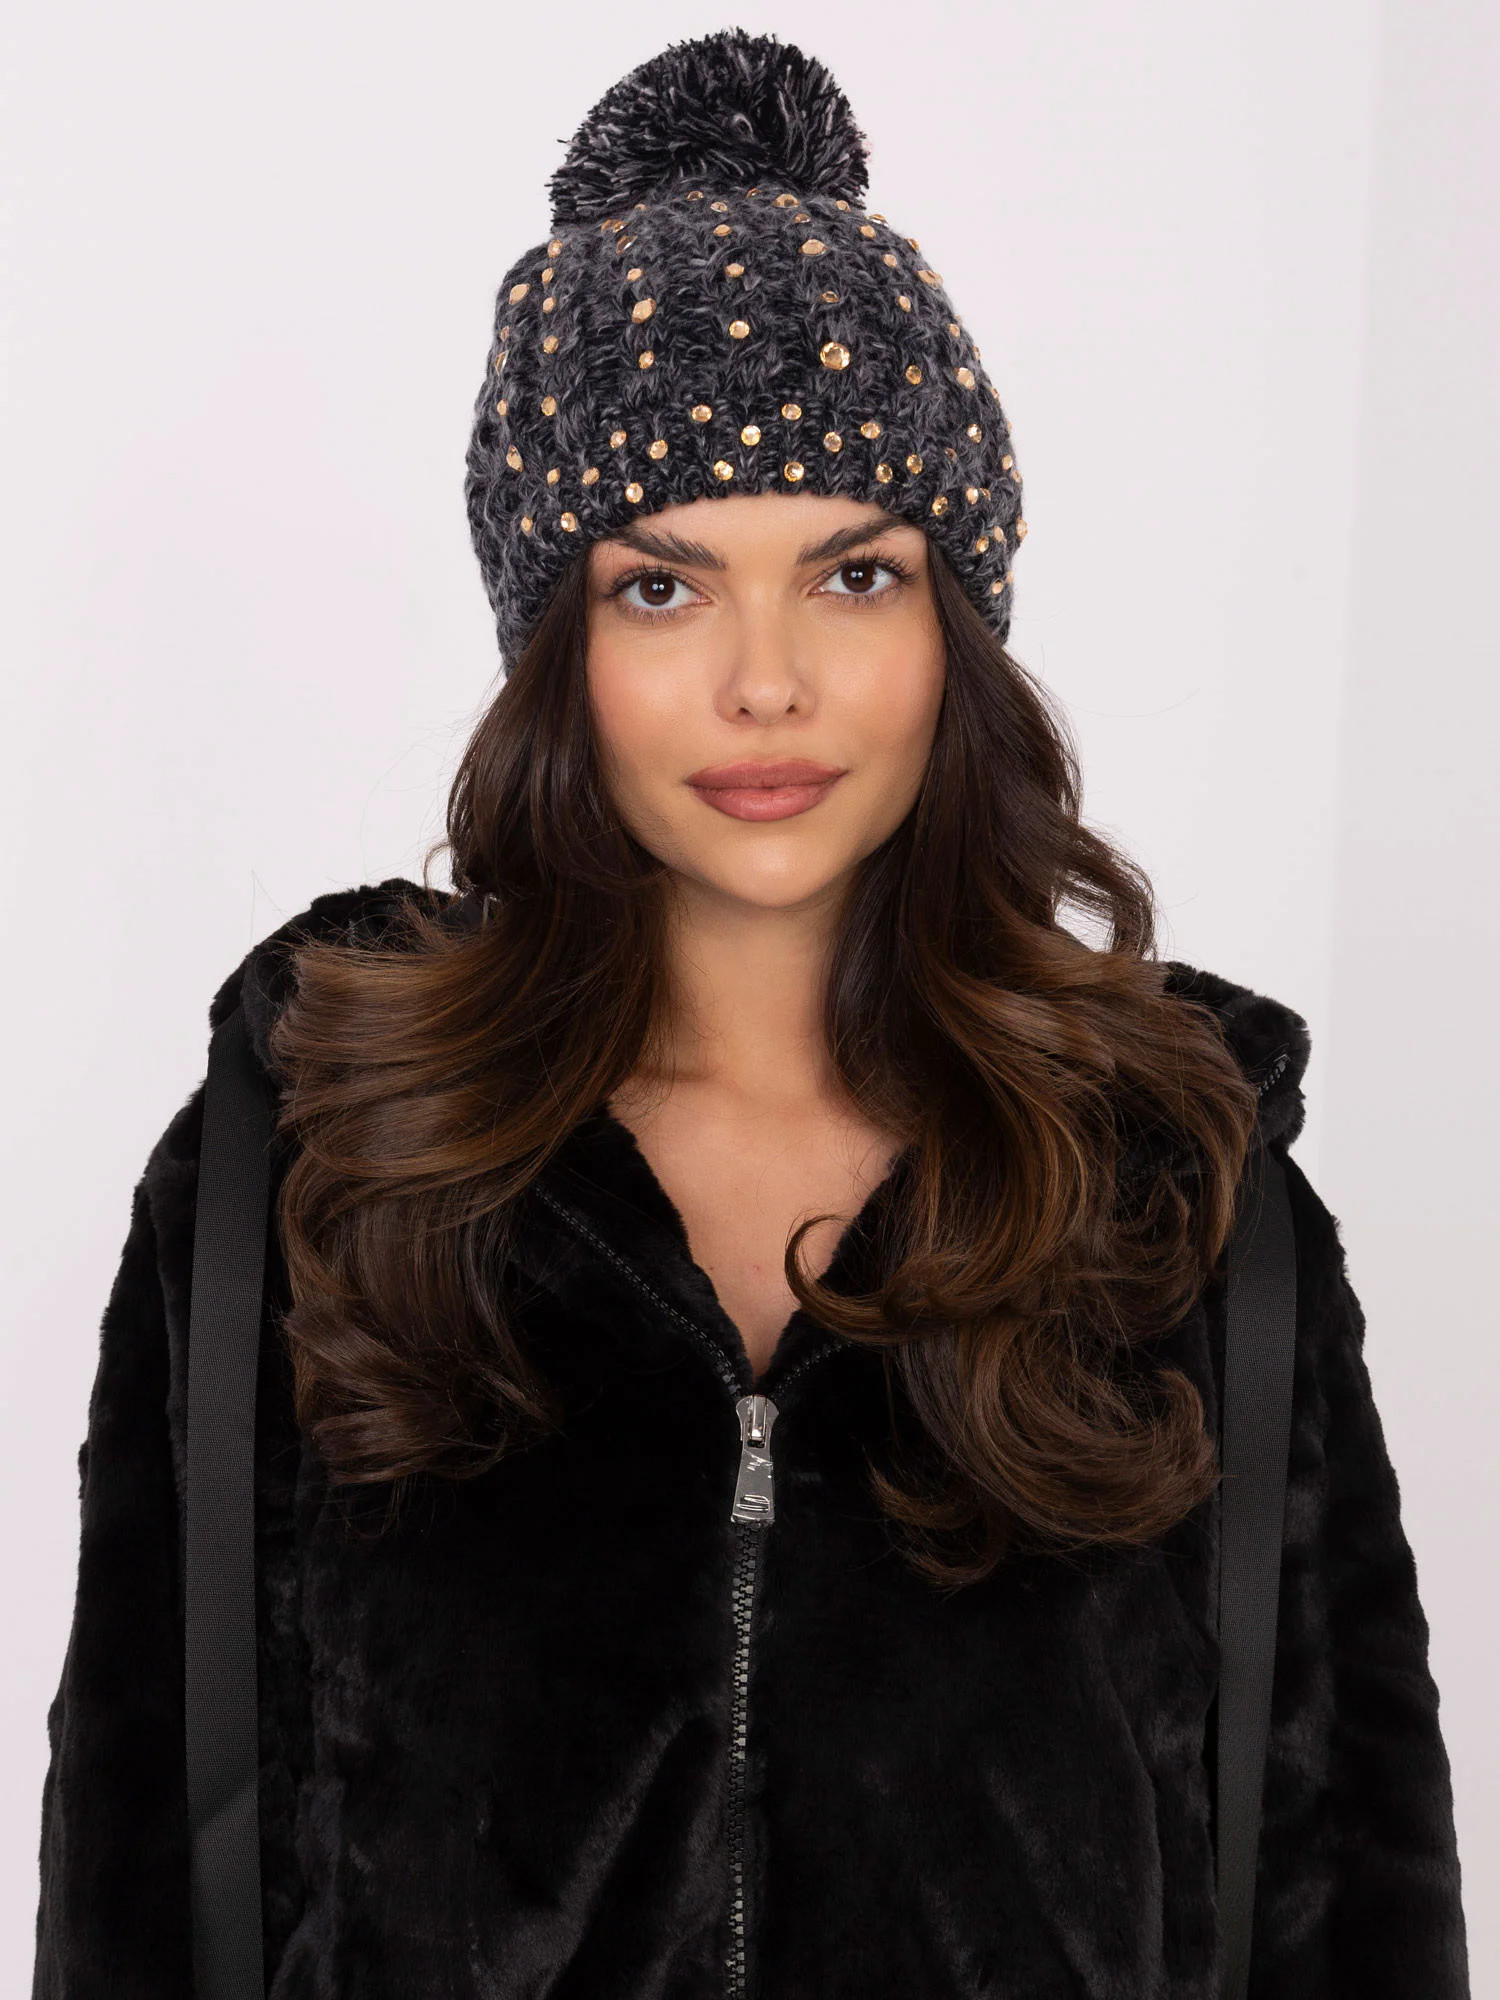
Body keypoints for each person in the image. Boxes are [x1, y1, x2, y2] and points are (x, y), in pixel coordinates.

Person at [31, 28, 1469, 2000]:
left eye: (855, 576)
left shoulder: (1178, 1208)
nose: (766, 679)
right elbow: (136, 1901)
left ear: (955, 628)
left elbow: (1349, 1913)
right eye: (663, 587)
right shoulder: (308, 1180)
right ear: (555, 642)